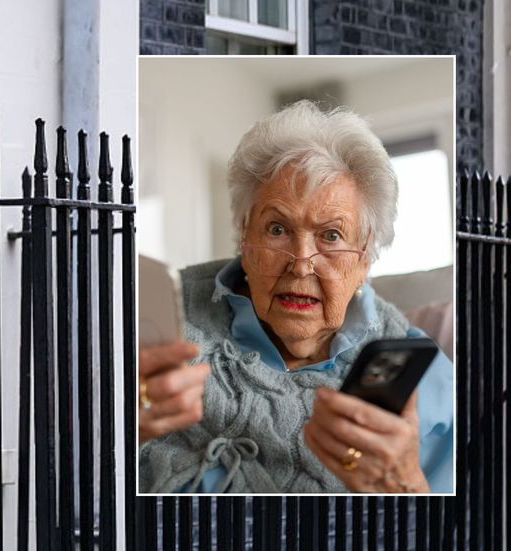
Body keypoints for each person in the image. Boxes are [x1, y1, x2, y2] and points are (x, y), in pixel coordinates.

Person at [138, 100, 453, 494]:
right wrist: (118, 430)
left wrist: (405, 485)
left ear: (365, 255)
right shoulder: (160, 318)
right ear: (244, 234)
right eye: (277, 229)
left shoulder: (424, 376)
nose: (301, 265)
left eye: (331, 235)